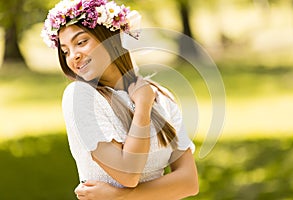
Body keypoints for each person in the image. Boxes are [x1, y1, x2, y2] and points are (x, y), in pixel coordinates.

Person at [41, 0, 199, 199]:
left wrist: (119, 196)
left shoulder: (162, 97)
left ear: (112, 38)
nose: (73, 56)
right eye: (65, 51)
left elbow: (189, 182)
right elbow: (128, 173)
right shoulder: (80, 96)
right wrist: (142, 108)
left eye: (81, 42)